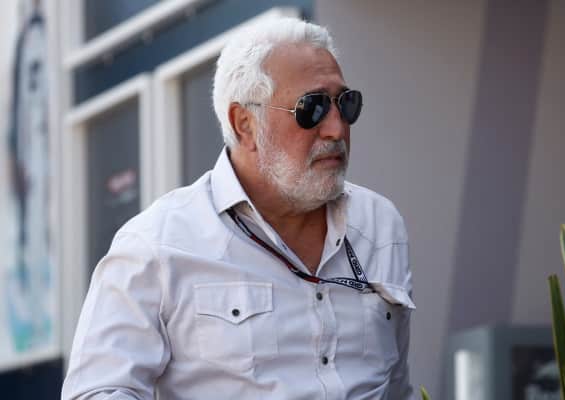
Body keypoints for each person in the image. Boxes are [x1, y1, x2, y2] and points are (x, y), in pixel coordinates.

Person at [62, 17, 415, 400]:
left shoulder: (380, 224)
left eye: (346, 104)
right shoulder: (155, 245)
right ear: (244, 123)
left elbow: (395, 387)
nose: (337, 129)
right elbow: (97, 392)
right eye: (312, 108)